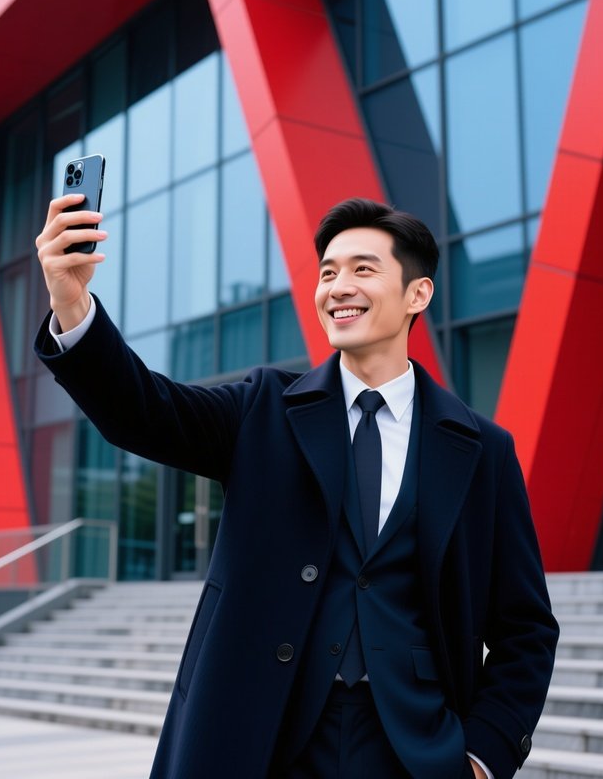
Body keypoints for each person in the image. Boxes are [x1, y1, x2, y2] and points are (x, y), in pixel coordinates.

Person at [34, 195, 558, 779]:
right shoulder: (263, 409)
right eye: (328, 273)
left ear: (418, 294)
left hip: (416, 747)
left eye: (363, 269)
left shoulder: (482, 449)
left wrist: (483, 756)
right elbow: (144, 411)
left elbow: (526, 629)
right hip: (262, 738)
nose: (338, 287)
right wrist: (72, 305)